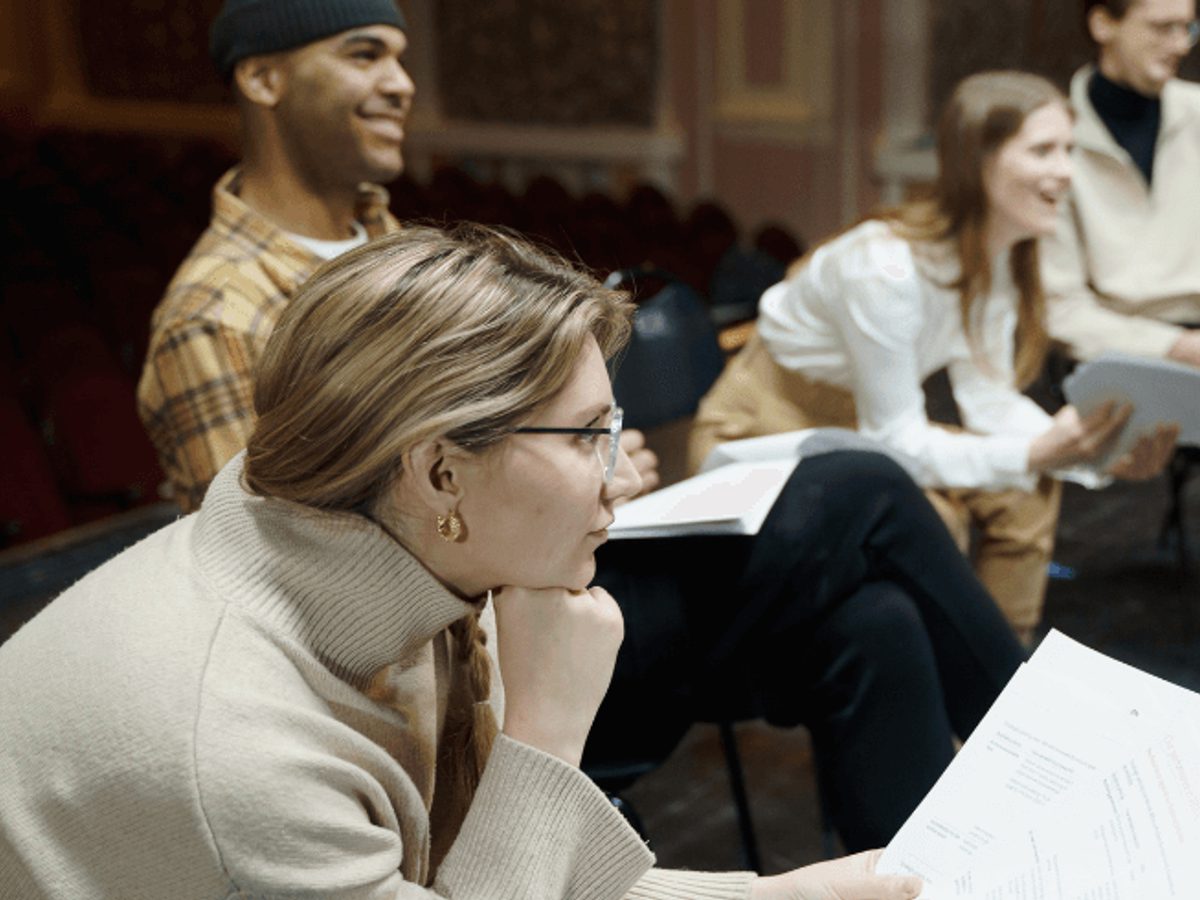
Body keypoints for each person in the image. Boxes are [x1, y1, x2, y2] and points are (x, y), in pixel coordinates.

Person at [137, 0, 1029, 852]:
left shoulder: (393, 246)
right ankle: (1056, 768)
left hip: (549, 574)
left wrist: (576, 467)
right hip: (478, 663)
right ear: (262, 79)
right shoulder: (216, 316)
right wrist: (550, 490)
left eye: (403, 55)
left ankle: (930, 878)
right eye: (365, 54)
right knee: (861, 487)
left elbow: (483, 458)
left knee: (875, 623)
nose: (406, 82)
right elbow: (294, 595)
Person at [0, 224, 929, 899]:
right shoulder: (246, 751)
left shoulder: (391, 548)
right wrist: (548, 733)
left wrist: (776, 899)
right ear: (441, 470)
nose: (618, 478)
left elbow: (495, 875)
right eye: (586, 438)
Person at [688, 71, 1178, 643]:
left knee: (1028, 489)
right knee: (932, 520)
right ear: (978, 159)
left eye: (1069, 151)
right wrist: (1040, 452)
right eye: (1043, 150)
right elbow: (895, 440)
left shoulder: (998, 258)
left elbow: (988, 399)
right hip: (763, 427)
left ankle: (998, 691)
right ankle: (930, 697)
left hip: (858, 427)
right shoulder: (885, 268)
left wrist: (1088, 453)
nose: (1066, 172)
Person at [1041, 0, 1200, 365]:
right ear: (1102, 25)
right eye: (1162, 28)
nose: (1181, 46)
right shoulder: (1054, 142)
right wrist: (1174, 347)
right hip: (1108, 353)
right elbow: (1060, 310)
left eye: (1187, 28)